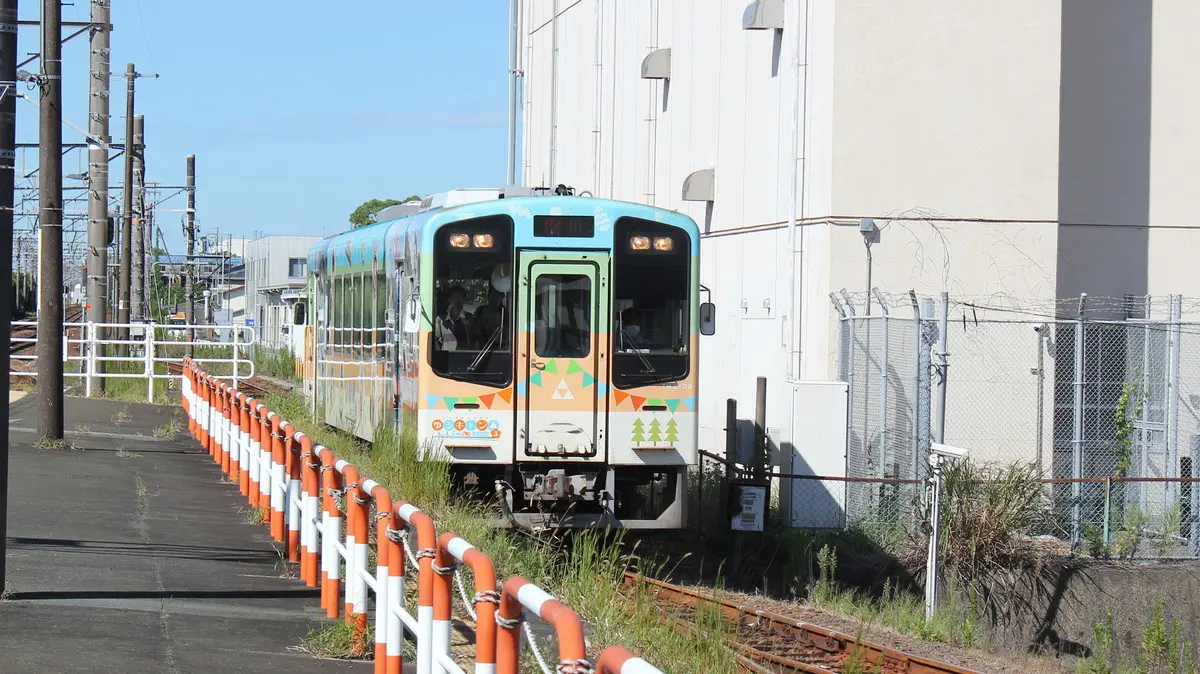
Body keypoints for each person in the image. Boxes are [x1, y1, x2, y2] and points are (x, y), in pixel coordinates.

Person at [435, 285, 473, 350]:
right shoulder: (440, 320)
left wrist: (467, 326)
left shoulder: (471, 318)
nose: (457, 300)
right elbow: (436, 341)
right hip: (446, 358)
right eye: (454, 297)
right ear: (449, 300)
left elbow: (475, 341)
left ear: (464, 299)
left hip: (465, 357)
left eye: (460, 297)